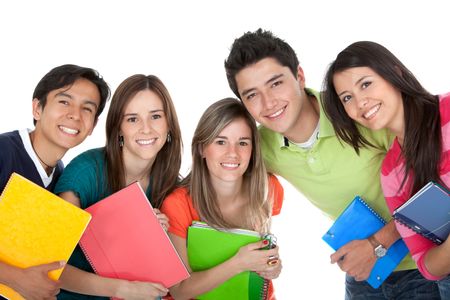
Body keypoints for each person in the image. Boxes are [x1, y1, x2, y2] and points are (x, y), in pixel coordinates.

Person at [224, 29, 440, 299]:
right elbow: (216, 174)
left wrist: (376, 244)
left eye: (276, 83)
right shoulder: (259, 146)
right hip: (364, 272)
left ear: (300, 76)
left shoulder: (357, 110)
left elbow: (434, 191)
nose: (269, 103)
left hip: (425, 260)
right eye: (252, 95)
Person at [321, 40, 450, 298]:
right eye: (347, 98)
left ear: (395, 73)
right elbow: (428, 266)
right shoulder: (391, 173)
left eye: (366, 84)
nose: (361, 102)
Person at [53, 74, 182, 299]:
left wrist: (156, 240)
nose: (146, 128)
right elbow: (50, 263)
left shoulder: (173, 187)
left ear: (169, 123)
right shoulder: (85, 172)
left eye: (155, 116)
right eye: (132, 119)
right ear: (118, 128)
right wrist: (122, 289)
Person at [0, 64, 109, 300]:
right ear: (37, 108)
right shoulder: (3, 152)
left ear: (93, 127)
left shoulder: (62, 179)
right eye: (64, 101)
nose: (75, 115)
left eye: (87, 108)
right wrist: (16, 279)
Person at [160, 98, 283, 299]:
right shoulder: (177, 203)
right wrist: (239, 263)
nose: (232, 153)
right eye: (220, 142)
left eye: (242, 143)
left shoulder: (268, 189)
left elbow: (266, 258)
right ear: (201, 149)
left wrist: (271, 267)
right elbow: (180, 290)